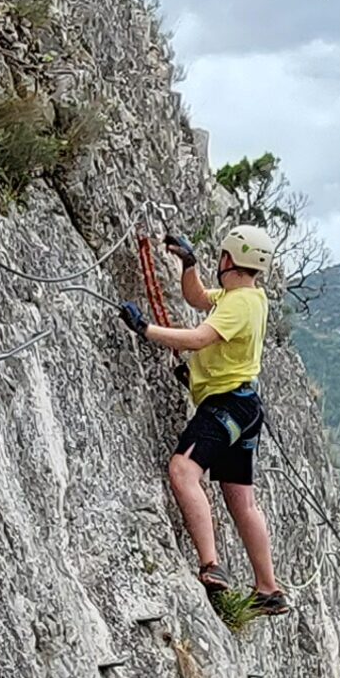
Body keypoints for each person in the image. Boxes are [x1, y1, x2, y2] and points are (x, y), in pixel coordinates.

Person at [118, 226, 288, 615]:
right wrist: (188, 264)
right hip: (245, 407)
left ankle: (212, 565)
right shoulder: (248, 297)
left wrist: (146, 329)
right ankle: (268, 589)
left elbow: (198, 338)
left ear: (227, 259)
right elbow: (196, 299)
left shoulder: (238, 304)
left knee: (182, 470)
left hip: (225, 404)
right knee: (241, 499)